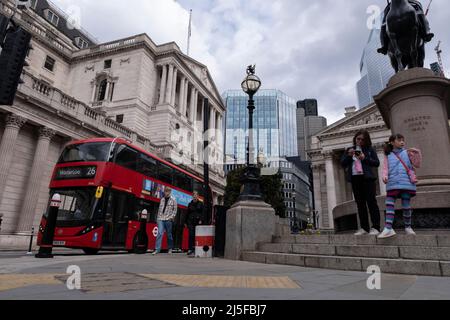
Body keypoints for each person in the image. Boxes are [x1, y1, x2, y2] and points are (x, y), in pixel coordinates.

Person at [341, 130, 381, 236]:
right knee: (360, 204)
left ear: (366, 140)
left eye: (362, 139)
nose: (360, 141)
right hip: (355, 179)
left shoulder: (369, 149)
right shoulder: (349, 150)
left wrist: (364, 158)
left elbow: (376, 163)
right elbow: (343, 163)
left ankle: (376, 227)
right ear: (355, 138)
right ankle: (364, 227)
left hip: (367, 178)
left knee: (371, 203)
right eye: (358, 138)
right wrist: (349, 156)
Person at [378, 134, 418, 239]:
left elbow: (416, 164)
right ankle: (388, 228)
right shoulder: (388, 155)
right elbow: (385, 168)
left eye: (403, 140)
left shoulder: (407, 153)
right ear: (391, 142)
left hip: (405, 182)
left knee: (406, 206)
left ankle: (408, 227)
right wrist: (384, 176)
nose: (402, 142)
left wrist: (416, 154)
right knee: (389, 203)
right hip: (393, 182)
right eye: (399, 140)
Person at [152, 187, 178, 255]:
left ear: (170, 192)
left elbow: (175, 210)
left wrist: (171, 218)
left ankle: (170, 248)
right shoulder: (162, 199)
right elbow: (160, 209)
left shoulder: (173, 199)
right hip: (161, 218)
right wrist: (158, 218)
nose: (166, 193)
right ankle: (157, 249)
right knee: (160, 233)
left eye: (168, 191)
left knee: (169, 234)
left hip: (168, 219)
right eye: (165, 191)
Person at [185, 191, 205, 256]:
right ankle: (190, 249)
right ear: (192, 196)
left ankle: (195, 249)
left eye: (196, 195)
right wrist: (185, 222)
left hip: (197, 222)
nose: (194, 196)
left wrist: (201, 220)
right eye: (193, 195)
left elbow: (203, 213)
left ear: (198, 196)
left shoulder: (201, 204)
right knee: (191, 235)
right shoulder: (190, 204)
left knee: (196, 235)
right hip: (190, 221)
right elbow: (187, 213)